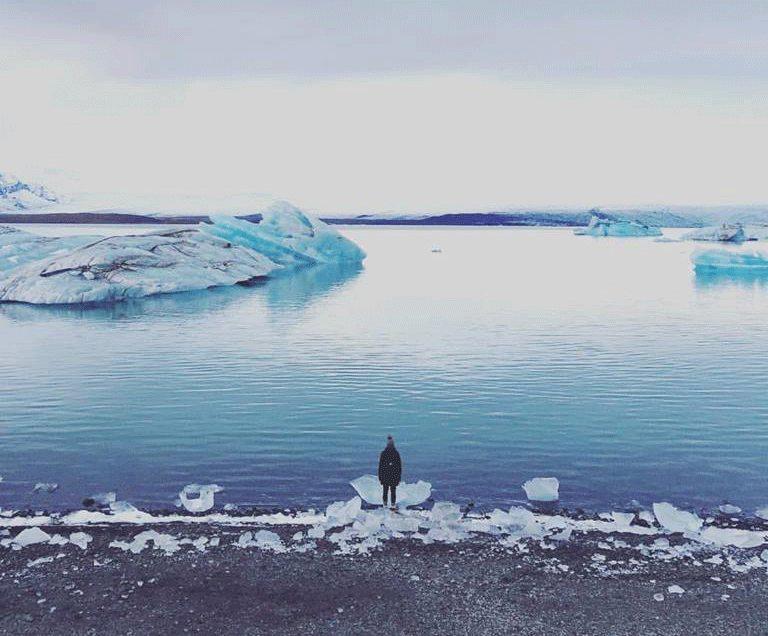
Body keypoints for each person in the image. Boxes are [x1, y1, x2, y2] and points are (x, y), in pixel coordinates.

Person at [378, 434, 402, 507]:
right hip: (393, 476)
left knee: (385, 490)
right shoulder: (396, 453)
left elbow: (380, 467)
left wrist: (380, 477)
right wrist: (398, 478)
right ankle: (392, 505)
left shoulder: (383, 453)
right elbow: (399, 468)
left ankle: (385, 504)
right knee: (393, 491)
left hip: (386, 476)